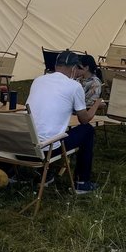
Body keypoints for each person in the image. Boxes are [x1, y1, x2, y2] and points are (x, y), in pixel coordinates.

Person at [26, 50, 101, 194]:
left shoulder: (38, 80)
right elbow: (84, 119)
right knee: (87, 130)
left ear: (56, 65)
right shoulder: (74, 86)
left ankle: (45, 174)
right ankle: (81, 182)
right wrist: (97, 103)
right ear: (74, 68)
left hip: (23, 145)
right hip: (45, 150)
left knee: (46, 127)